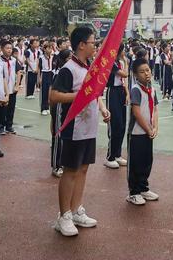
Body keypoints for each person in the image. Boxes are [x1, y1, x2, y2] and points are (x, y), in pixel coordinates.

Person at [50, 26, 110, 237]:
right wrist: (79, 96)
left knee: (83, 169)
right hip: (73, 129)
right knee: (71, 170)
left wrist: (102, 108)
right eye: (93, 42)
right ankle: (63, 215)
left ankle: (76, 210)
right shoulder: (69, 69)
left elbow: (95, 93)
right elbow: (54, 96)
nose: (96, 46)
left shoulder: (90, 67)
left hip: (89, 127)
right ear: (82, 45)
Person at [126, 58, 159, 205]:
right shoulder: (136, 90)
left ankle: (143, 187)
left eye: (147, 70)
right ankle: (133, 192)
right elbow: (136, 112)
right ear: (135, 74)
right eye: (142, 71)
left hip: (148, 132)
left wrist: (155, 127)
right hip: (137, 133)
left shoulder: (152, 88)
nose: (146, 74)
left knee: (147, 160)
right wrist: (147, 128)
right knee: (136, 162)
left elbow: (156, 109)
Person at [104, 43, 129, 169]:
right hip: (112, 92)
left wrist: (127, 94)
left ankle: (118, 154)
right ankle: (110, 157)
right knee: (115, 124)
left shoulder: (121, 62)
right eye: (123, 50)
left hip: (121, 92)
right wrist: (125, 62)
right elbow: (124, 74)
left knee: (122, 124)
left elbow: (125, 80)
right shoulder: (112, 63)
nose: (124, 52)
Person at [50, 48, 72, 178]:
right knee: (58, 136)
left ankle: (63, 162)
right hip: (59, 107)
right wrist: (53, 117)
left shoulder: (70, 71)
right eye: (69, 57)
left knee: (65, 136)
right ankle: (56, 165)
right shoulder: (59, 73)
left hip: (67, 107)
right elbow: (53, 94)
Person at [0, 41, 20, 135]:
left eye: (10, 48)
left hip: (12, 88)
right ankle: (1, 126)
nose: (9, 50)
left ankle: (9, 125)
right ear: (2, 49)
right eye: (7, 48)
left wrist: (17, 85)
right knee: (2, 108)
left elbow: (19, 72)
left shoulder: (14, 60)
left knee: (11, 108)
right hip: (3, 89)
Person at [37, 41, 54, 115]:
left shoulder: (52, 57)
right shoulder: (41, 58)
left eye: (51, 48)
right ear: (44, 49)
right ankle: (43, 108)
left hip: (50, 74)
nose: (50, 50)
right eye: (48, 48)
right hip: (44, 74)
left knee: (49, 91)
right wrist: (39, 78)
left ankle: (47, 107)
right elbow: (39, 68)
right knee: (44, 91)